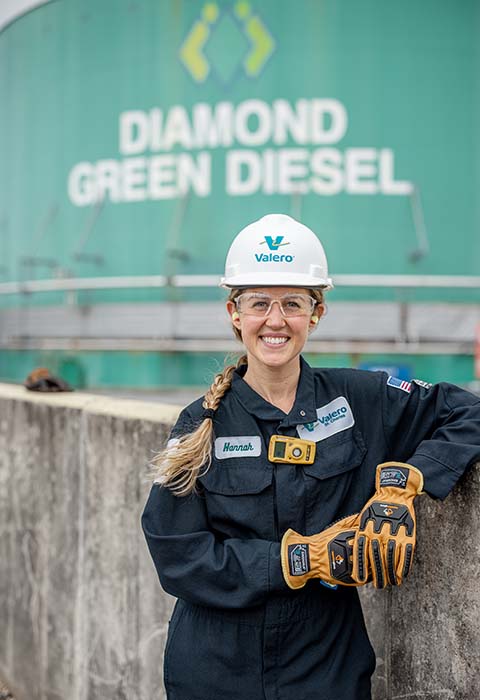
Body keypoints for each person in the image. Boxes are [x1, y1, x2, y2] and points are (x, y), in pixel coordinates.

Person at [141, 214, 480, 700]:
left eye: (292, 304)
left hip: (327, 669)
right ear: (235, 313)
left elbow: (469, 412)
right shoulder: (201, 425)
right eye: (259, 303)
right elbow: (177, 553)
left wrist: (408, 481)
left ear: (315, 313)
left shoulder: (360, 401)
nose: (275, 320)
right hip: (215, 672)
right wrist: (299, 559)